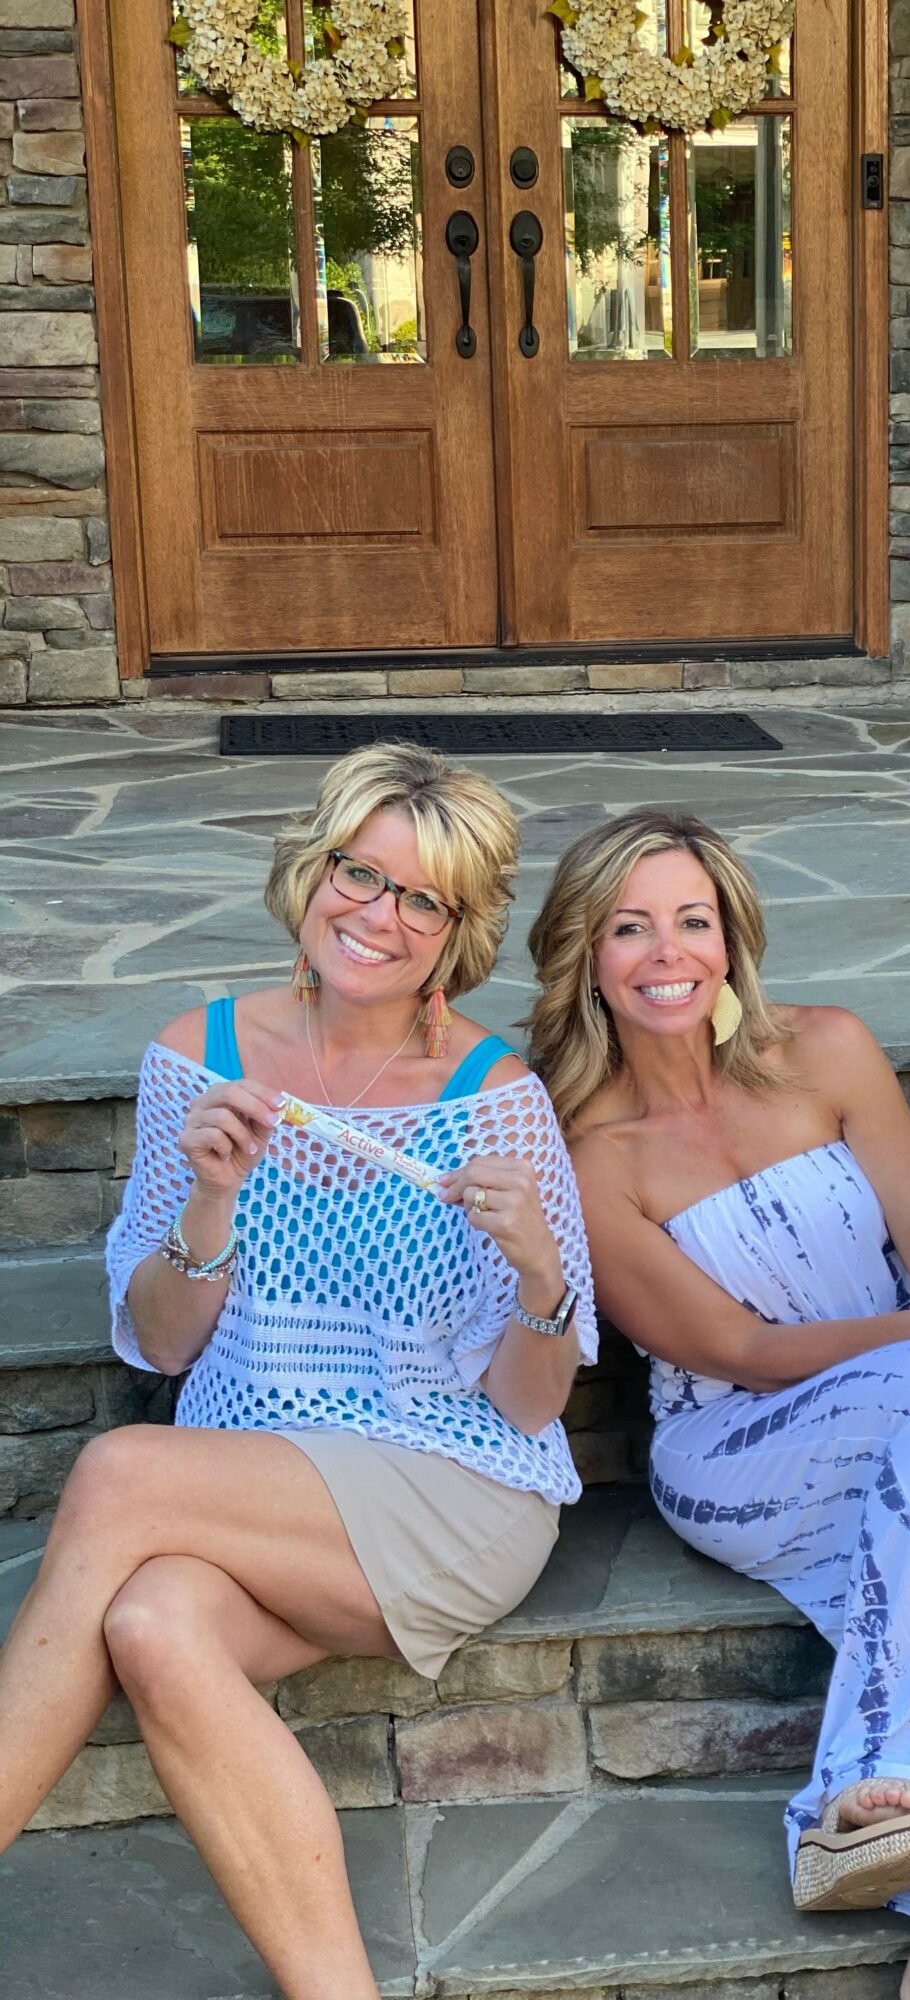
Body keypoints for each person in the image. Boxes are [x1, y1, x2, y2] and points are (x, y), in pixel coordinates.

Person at [0, 744, 596, 2000]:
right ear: (312, 872)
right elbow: (165, 1342)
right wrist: (211, 1196)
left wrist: (544, 1271)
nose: (378, 915)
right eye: (359, 873)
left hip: (451, 1477)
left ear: (457, 933)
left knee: (117, 1471)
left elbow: (527, 1405)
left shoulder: (495, 1098)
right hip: (252, 1483)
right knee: (152, 1621)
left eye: (422, 898)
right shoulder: (197, 1054)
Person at [527, 808, 910, 2000]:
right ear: (585, 954)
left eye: (693, 919)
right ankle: (863, 1771)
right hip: (741, 1445)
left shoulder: (831, 1050)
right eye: (630, 927)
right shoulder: (586, 1149)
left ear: (733, 935)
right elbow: (740, 1348)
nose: (668, 952)